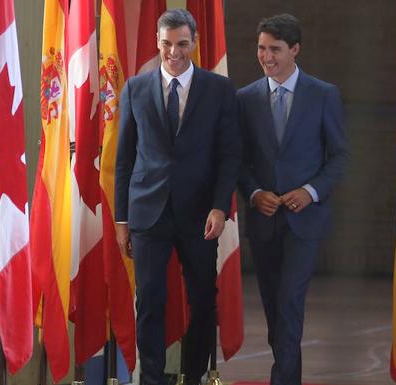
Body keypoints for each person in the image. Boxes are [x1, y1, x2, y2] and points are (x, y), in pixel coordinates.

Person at [114, 8, 241, 385]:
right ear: (158, 42)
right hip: (147, 214)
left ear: (195, 43)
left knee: (203, 300)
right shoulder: (136, 88)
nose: (174, 52)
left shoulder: (219, 90)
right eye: (167, 44)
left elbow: (230, 155)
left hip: (201, 213)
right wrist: (122, 220)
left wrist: (220, 206)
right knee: (150, 301)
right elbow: (124, 160)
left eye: (182, 44)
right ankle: (150, 378)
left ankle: (194, 375)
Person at [237, 13, 349, 385]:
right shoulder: (245, 99)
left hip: (306, 223)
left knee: (289, 302)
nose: (266, 57)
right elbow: (238, 160)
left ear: (295, 50)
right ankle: (286, 371)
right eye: (261, 48)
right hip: (264, 221)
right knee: (273, 307)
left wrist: (310, 191)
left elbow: (339, 157)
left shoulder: (323, 94)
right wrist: (254, 194)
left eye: (275, 50)